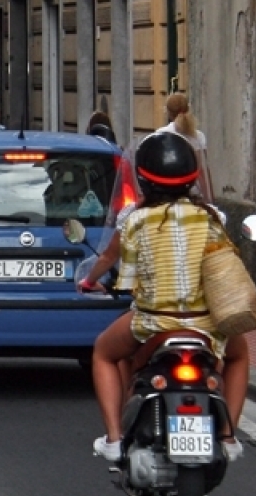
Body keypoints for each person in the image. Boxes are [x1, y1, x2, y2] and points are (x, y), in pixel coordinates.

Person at [76, 131, 247, 464]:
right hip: (206, 325)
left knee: (103, 353)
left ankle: (113, 439)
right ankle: (227, 436)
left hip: (153, 322)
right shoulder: (212, 218)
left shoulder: (135, 220)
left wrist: (90, 281)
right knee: (239, 355)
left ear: (143, 178)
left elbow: (114, 265)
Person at [157, 92, 213, 202]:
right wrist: (210, 200)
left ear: (168, 112)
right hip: (194, 195)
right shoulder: (198, 136)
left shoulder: (161, 135)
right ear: (188, 109)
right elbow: (202, 170)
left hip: (168, 194)